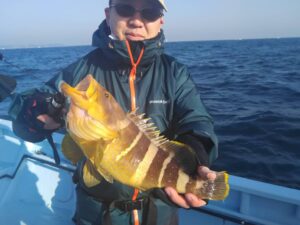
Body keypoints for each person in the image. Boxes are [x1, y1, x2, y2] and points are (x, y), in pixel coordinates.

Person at [9, 0, 219, 224]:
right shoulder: (82, 70)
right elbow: (28, 113)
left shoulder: (175, 73)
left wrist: (197, 157)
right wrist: (35, 111)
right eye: (126, 9)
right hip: (96, 215)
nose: (137, 21)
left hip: (160, 213)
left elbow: (196, 119)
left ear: (160, 21)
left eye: (149, 12)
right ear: (108, 15)